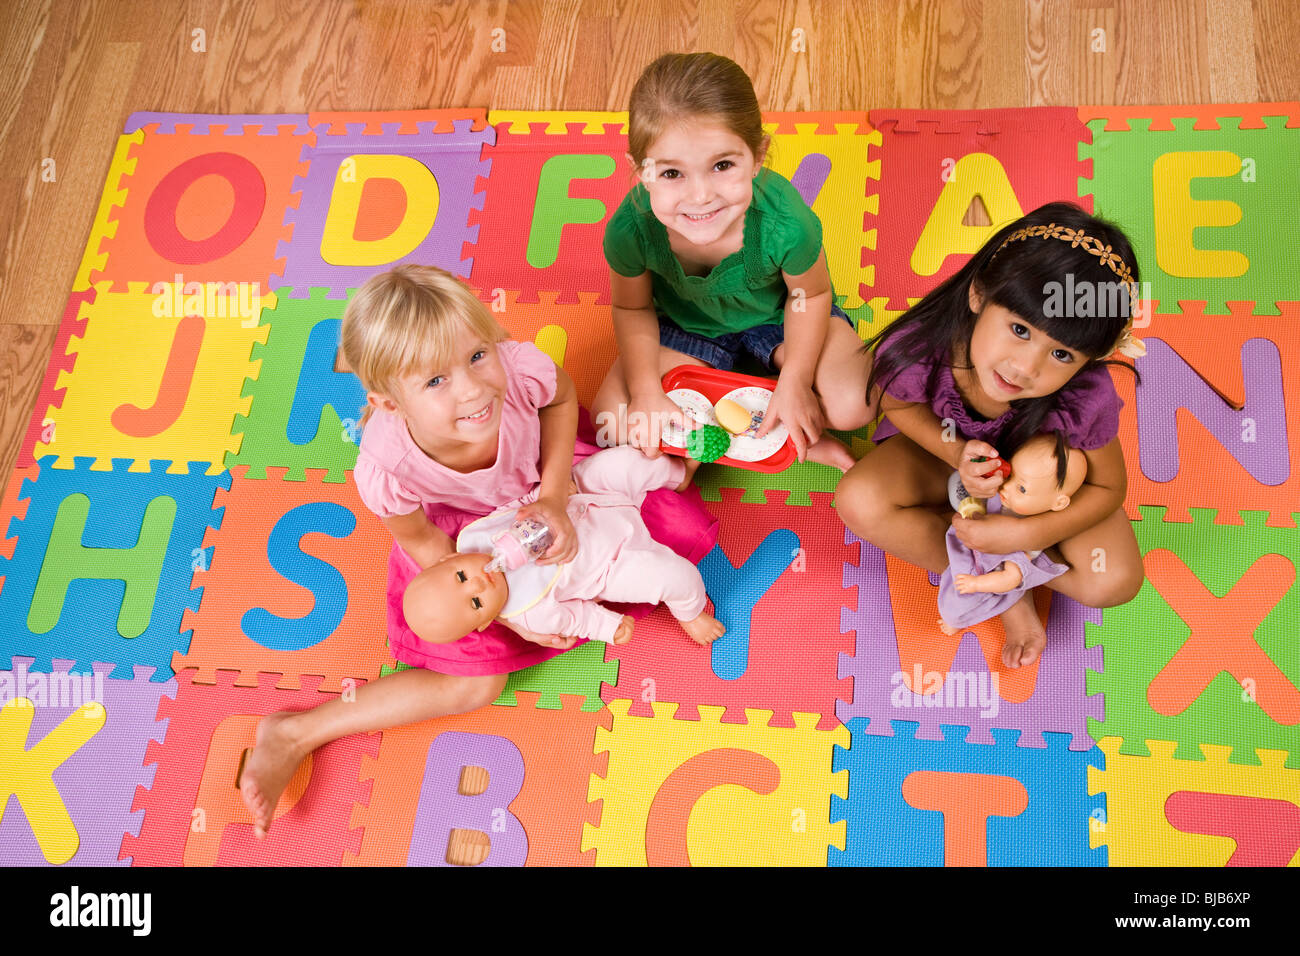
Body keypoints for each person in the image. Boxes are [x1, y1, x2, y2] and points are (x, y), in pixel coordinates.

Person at [236, 265, 714, 859]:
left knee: (675, 519)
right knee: (476, 683)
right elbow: (421, 542)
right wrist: (499, 599)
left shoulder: (517, 371)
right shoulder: (387, 467)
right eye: (436, 380)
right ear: (388, 401)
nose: (473, 389)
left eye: (478, 355)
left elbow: (562, 399)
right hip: (467, 544)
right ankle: (296, 731)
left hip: (556, 485)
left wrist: (555, 494)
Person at [836, 202, 1147, 669]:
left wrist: (1024, 532)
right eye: (1019, 329)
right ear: (979, 293)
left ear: (1091, 359)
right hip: (948, 457)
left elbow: (1108, 487)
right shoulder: (924, 347)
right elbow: (895, 401)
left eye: (1062, 355)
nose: (1026, 368)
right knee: (858, 500)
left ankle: (1009, 572)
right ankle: (1004, 590)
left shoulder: (1085, 396)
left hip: (1036, 488)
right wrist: (957, 451)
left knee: (1113, 581)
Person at [592, 52, 872, 474]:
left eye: (722, 165)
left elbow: (808, 294)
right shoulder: (630, 230)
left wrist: (795, 378)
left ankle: (747, 409)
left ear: (757, 156)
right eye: (672, 174)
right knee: (612, 418)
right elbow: (633, 308)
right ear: (642, 172)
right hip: (684, 330)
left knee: (856, 404)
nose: (700, 195)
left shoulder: (786, 222)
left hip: (780, 318)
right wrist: (647, 388)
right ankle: (787, 434)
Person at [404, 446, 726, 648]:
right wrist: (609, 627)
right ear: (488, 620)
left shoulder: (476, 538)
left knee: (625, 462)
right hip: (612, 561)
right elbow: (576, 618)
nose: (478, 582)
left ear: (451, 556)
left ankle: (677, 474)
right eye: (476, 602)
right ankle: (691, 612)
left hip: (583, 496)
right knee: (673, 577)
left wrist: (548, 496)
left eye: (461, 576)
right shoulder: (532, 614)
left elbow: (513, 507)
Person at [937, 432, 1087, 635]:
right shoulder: (1004, 496)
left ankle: (956, 621)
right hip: (966, 550)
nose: (1006, 487)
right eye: (1011, 475)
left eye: (1022, 489)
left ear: (1058, 502)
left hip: (985, 574)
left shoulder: (1032, 538)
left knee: (959, 605)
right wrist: (972, 508)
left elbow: (1011, 577)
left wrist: (977, 584)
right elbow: (965, 489)